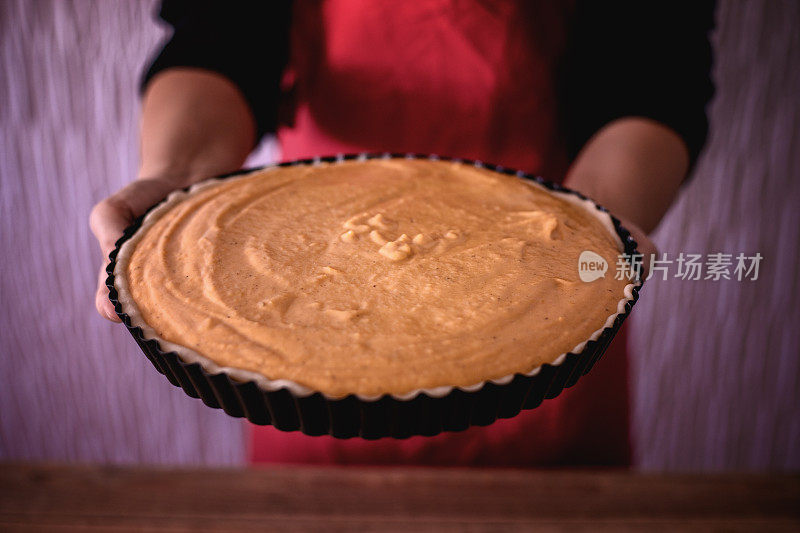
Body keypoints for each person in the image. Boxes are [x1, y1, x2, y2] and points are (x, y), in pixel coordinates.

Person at [90, 1, 715, 466]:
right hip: (298, 336)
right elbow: (219, 36)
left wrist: (603, 217)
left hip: (546, 292)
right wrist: (176, 179)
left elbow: (655, 68)